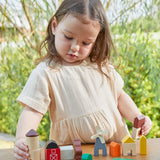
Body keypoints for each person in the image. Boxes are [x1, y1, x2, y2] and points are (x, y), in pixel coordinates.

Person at [14, 0, 152, 159]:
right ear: (54, 26)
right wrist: (21, 140)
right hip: (72, 152)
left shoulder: (101, 66)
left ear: (96, 39)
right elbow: (32, 110)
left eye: (86, 42)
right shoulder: (46, 73)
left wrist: (137, 117)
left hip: (114, 148)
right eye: (68, 37)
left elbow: (119, 96)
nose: (75, 48)